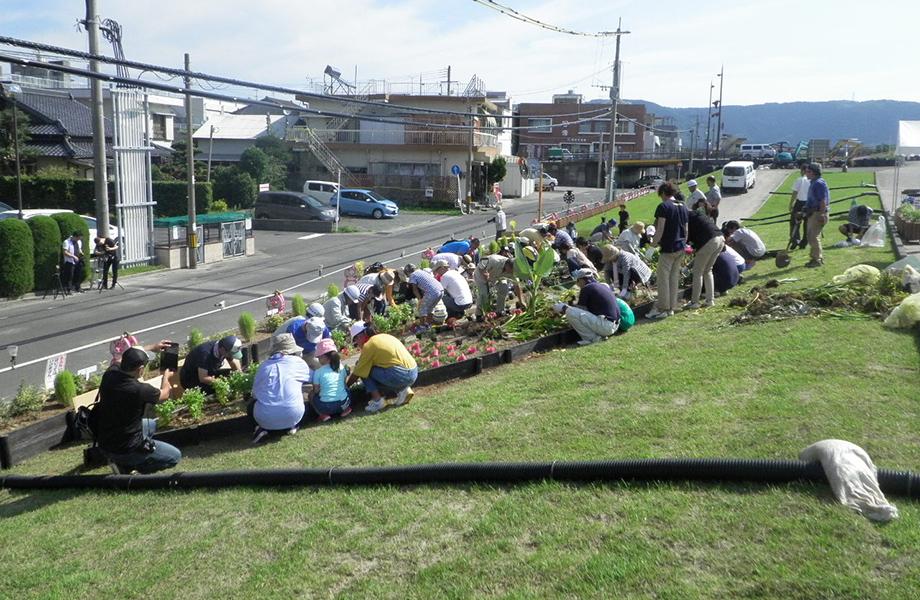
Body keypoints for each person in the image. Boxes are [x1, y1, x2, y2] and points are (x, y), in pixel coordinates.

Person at [93, 347, 181, 474]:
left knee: (151, 424)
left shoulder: (110, 373)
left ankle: (120, 459)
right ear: (140, 369)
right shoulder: (139, 390)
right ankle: (128, 468)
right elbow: (165, 394)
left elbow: (121, 358)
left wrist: (153, 347)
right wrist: (166, 377)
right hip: (125, 448)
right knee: (175, 456)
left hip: (105, 440)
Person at [250, 333, 311, 443]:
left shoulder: (263, 367)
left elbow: (255, 394)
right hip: (293, 414)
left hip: (265, 418)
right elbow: (310, 379)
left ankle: (260, 429)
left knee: (251, 405)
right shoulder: (299, 363)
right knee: (301, 395)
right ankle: (293, 425)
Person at [346, 321, 418, 413]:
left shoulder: (369, 345)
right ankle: (403, 390)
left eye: (356, 340)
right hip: (413, 372)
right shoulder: (385, 336)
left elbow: (357, 372)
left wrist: (346, 387)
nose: (357, 343)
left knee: (362, 367)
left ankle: (378, 401)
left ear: (362, 335)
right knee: (370, 366)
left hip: (401, 375)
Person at [646, 182, 688, 320]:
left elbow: (660, 229)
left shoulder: (663, 206)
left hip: (669, 248)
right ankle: (671, 307)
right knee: (674, 278)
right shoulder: (682, 206)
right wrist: (684, 243)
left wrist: (652, 247)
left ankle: (663, 308)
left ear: (663, 193)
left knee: (663, 279)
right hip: (681, 246)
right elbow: (686, 230)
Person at [552, 269, 620, 345]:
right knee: (571, 311)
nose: (577, 284)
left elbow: (579, 311)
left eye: (577, 281)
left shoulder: (586, 288)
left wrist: (563, 307)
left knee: (569, 312)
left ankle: (593, 338)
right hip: (615, 325)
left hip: (606, 326)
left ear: (581, 280)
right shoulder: (602, 285)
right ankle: (598, 336)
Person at [685, 209, 725, 309]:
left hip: (709, 241)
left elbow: (687, 237)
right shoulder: (697, 213)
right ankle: (710, 300)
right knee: (708, 270)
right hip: (720, 238)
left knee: (697, 272)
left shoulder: (685, 218)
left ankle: (694, 302)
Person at [310, 338, 352, 421]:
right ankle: (346, 410)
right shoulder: (341, 367)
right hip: (343, 404)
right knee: (346, 389)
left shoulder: (318, 372)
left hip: (327, 407)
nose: (318, 360)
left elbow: (316, 391)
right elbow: (344, 384)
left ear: (324, 357)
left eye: (319, 357)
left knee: (311, 395)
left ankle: (323, 414)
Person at [804, 162, 830, 267]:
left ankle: (817, 259)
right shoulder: (814, 182)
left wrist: (822, 214)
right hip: (813, 212)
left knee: (814, 237)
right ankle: (815, 257)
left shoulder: (819, 183)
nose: (806, 173)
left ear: (814, 172)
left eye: (808, 171)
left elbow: (822, 200)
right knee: (811, 236)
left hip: (818, 212)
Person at [404, 264, 444, 328]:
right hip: (440, 289)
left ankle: (422, 326)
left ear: (408, 272)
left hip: (432, 292)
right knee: (430, 308)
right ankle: (429, 323)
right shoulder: (421, 271)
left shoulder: (413, 275)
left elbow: (415, 289)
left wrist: (420, 300)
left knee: (421, 309)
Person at [789, 163, 810, 249]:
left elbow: (795, 192)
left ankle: (795, 240)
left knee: (794, 223)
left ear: (802, 171)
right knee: (807, 224)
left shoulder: (800, 179)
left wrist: (791, 204)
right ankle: (804, 242)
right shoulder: (811, 180)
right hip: (808, 203)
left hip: (800, 203)